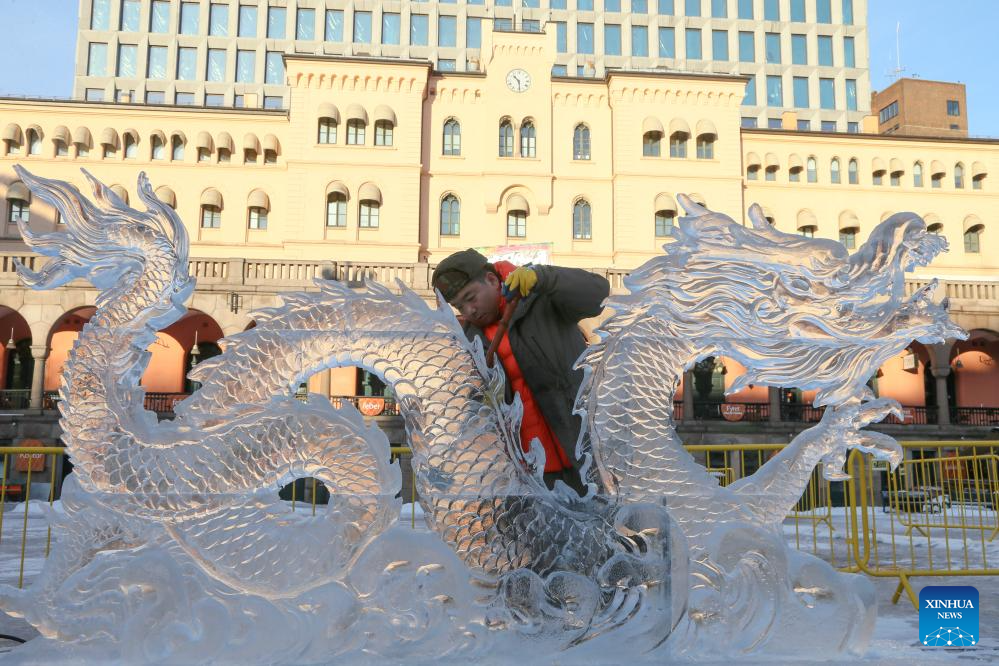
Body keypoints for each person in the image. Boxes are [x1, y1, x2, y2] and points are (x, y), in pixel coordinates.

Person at [432, 249, 609, 495]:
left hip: (588, 454)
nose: (469, 310)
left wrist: (545, 278)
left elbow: (598, 294)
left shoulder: (540, 297)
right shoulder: (470, 340)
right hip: (532, 473)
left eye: (470, 297)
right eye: (459, 306)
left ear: (492, 280)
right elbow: (473, 400)